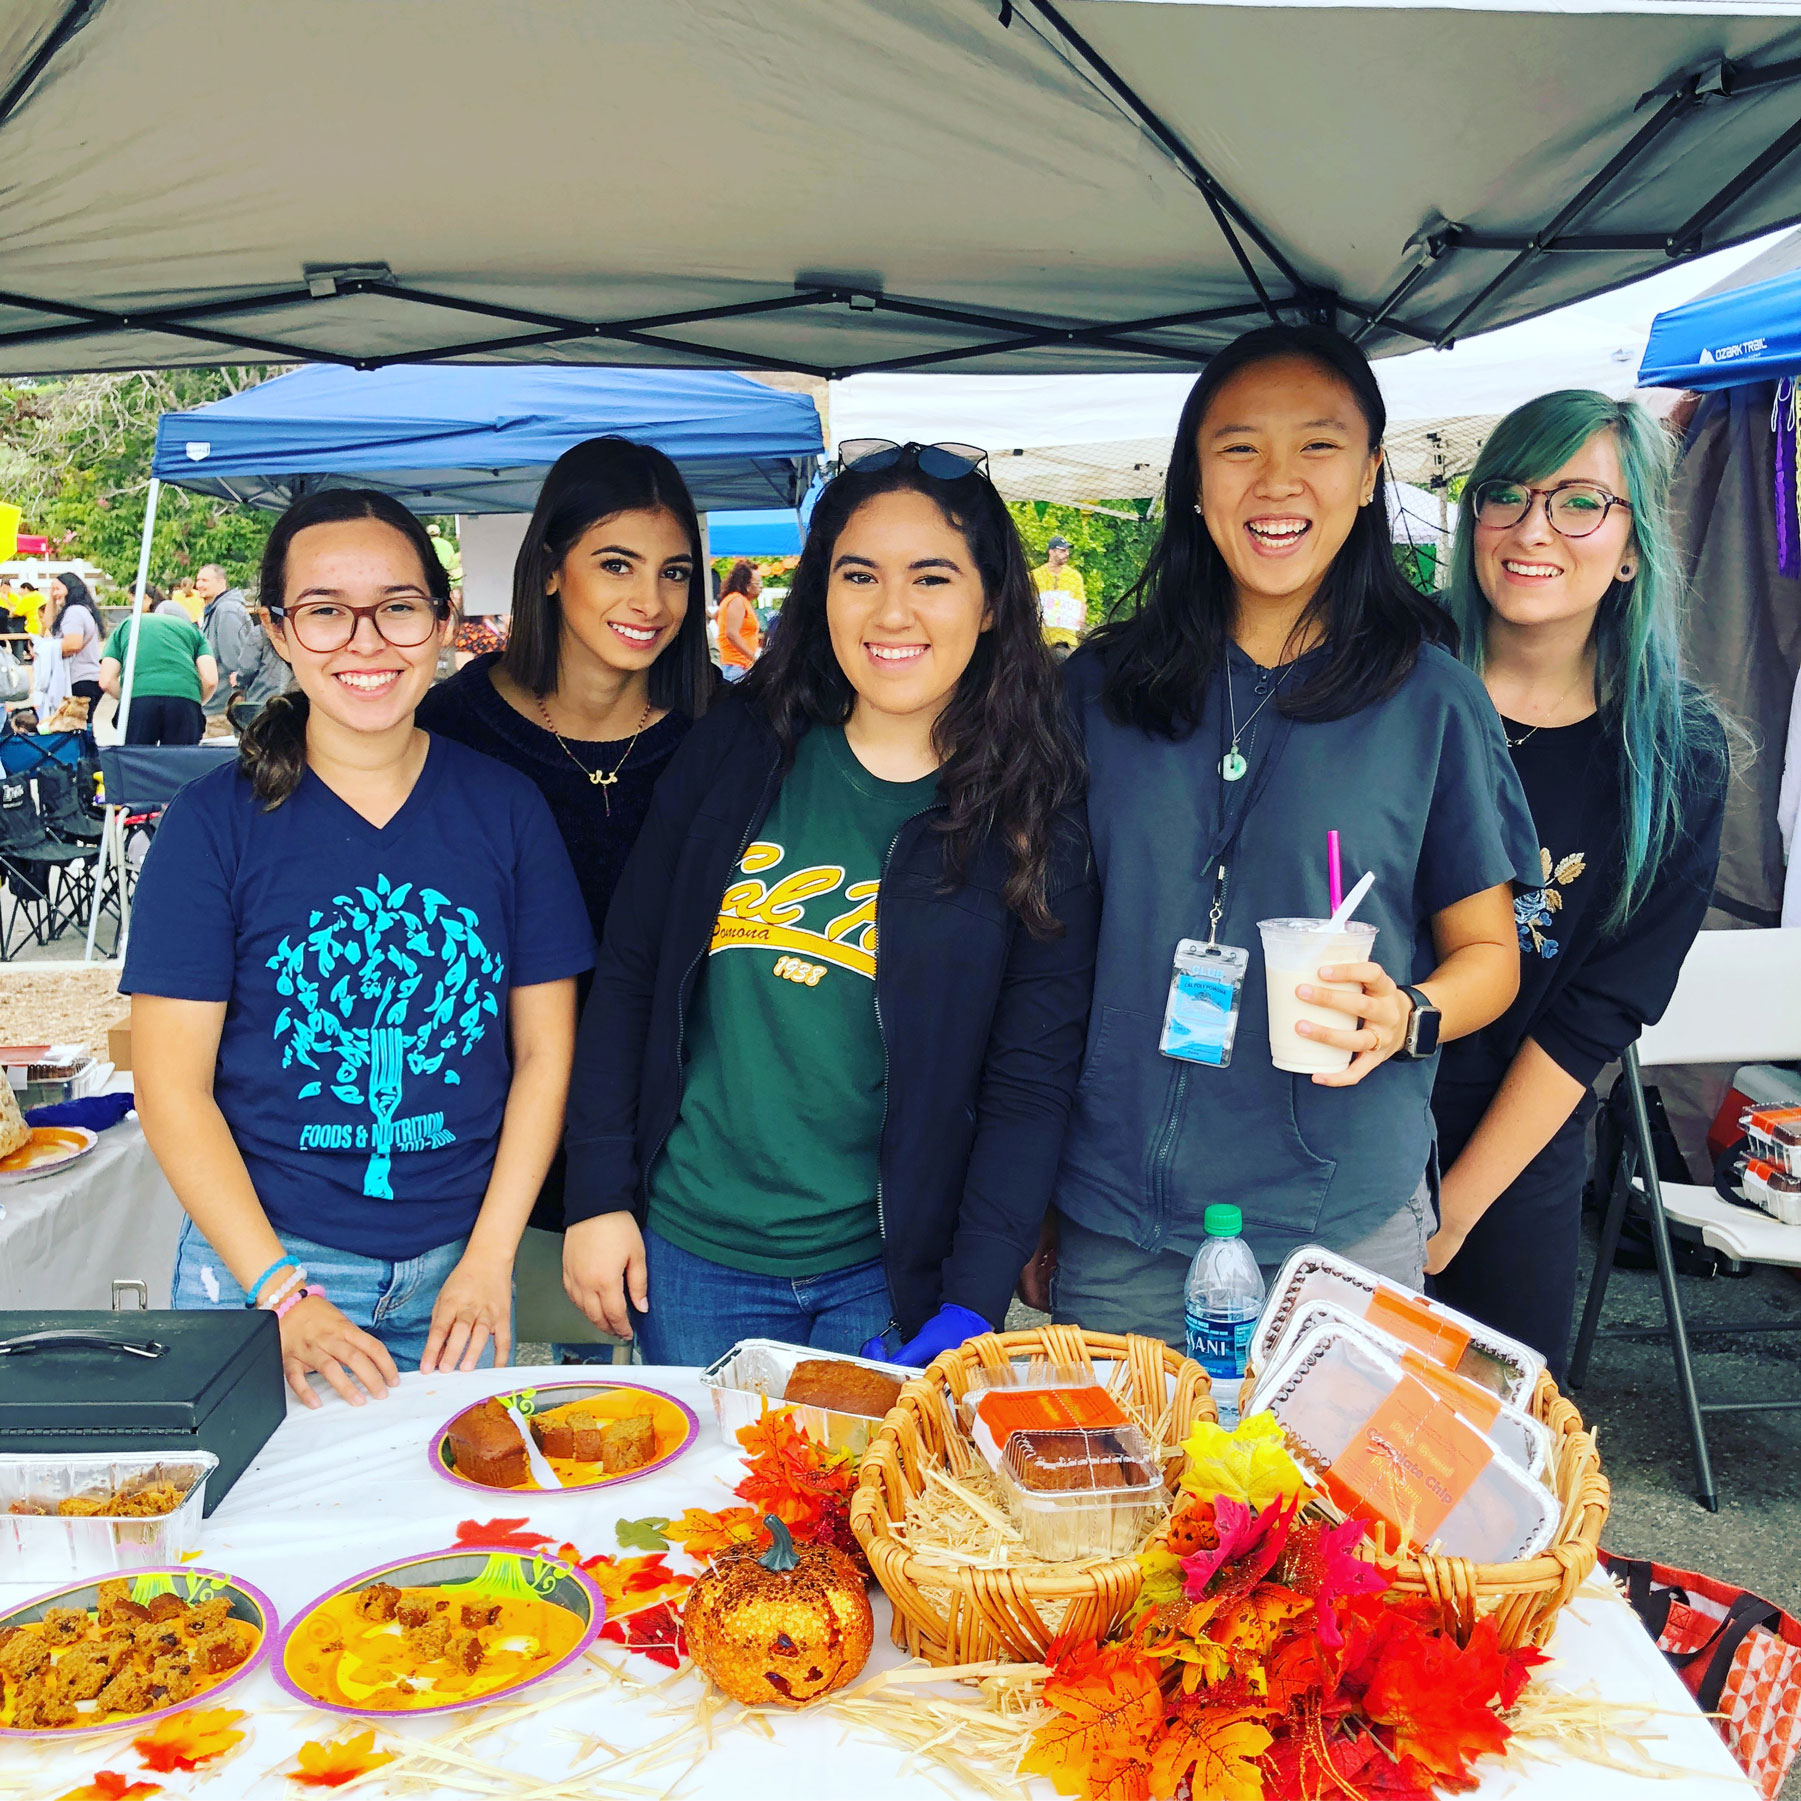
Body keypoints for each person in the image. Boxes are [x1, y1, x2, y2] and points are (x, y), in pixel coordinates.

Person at [1041, 324, 1539, 1347]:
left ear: (1366, 477)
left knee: (1330, 1507)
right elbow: (1039, 955)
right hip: (1117, 1218)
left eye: (1316, 445)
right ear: (1191, 481)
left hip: (1339, 1217)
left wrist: (1407, 1012)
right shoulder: (1096, 691)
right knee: (1119, 1503)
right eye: (1238, 448)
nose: (1278, 482)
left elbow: (1490, 955)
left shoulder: (1431, 699)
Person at [559, 441, 1097, 1368]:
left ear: (993, 600)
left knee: (859, 1518)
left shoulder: (1036, 819)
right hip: (688, 1257)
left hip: (883, 1281)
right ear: (822, 594)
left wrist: (972, 1300)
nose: (892, 612)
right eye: (860, 575)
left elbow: (1028, 1087)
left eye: (932, 577)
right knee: (708, 1518)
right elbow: (634, 970)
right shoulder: (741, 745)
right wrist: (598, 1191)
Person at [122, 490, 594, 1409]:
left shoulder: (506, 810)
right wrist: (281, 1293)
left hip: (462, 1271)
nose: (365, 640)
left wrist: (492, 1255)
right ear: (278, 631)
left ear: (444, 622)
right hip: (268, 1270)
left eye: (399, 606)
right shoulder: (211, 825)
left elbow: (543, 1053)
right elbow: (169, 1085)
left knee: (446, 1542)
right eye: (326, 610)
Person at [1428, 393, 1729, 1377]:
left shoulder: (1674, 753)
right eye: (1506, 494)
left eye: (1579, 503)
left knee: (1475, 1478)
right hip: (1327, 1126)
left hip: (1513, 1150)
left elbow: (1598, 1009)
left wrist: (1459, 1204)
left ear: (1633, 544)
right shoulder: (1393, 675)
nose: (1531, 529)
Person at [417, 436, 714, 1281]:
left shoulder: (728, 735)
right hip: (478, 1140)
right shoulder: (449, 729)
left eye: (675, 572)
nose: (650, 599)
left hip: (671, 1145)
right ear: (550, 568)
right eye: (615, 563)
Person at [99, 606, 218, 744]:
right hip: (184, 702)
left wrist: (130, 698)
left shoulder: (129, 624)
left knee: (137, 761)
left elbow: (106, 680)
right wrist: (193, 700)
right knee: (181, 762)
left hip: (139, 702)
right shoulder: (193, 631)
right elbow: (210, 680)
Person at [196, 563, 284, 729]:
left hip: (222, 708)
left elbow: (235, 661)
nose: (199, 585)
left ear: (221, 582)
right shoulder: (215, 609)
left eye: (205, 580)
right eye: (198, 580)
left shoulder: (226, 611)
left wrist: (236, 696)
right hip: (214, 704)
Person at [48, 572, 104, 713]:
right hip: (88, 679)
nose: (55, 593)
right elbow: (49, 624)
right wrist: (52, 598)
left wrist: (46, 649)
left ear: (70, 588)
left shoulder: (74, 612)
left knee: (77, 729)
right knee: (84, 728)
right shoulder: (84, 610)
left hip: (79, 680)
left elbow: (73, 644)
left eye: (58, 589)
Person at [1032, 534, 1088, 652]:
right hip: (1040, 638)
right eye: (1062, 551)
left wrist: (1080, 617)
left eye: (1067, 550)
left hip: (1066, 640)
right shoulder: (1035, 575)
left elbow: (1081, 602)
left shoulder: (1074, 576)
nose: (1066, 554)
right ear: (1051, 552)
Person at [716, 559, 762, 679]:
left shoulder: (740, 601)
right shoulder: (737, 600)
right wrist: (753, 658)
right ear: (746, 585)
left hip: (740, 665)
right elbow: (731, 633)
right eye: (758, 583)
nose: (761, 587)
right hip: (736, 665)